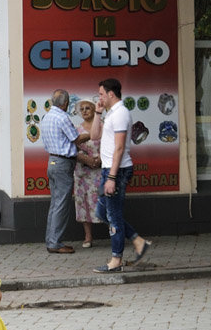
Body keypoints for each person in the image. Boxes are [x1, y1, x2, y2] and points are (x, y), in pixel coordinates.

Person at [90, 77, 152, 273]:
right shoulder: (110, 113)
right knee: (102, 213)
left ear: (110, 94)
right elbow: (94, 136)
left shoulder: (121, 114)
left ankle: (116, 259)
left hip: (117, 170)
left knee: (114, 216)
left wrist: (112, 178)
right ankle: (138, 240)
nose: (98, 97)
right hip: (109, 169)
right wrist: (98, 113)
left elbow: (119, 148)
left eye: (101, 94)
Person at [39, 88, 88, 254]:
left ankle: (51, 240)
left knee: (55, 203)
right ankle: (55, 242)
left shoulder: (46, 117)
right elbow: (75, 138)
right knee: (61, 204)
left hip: (52, 161)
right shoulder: (62, 117)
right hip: (62, 163)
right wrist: (90, 134)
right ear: (66, 103)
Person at [72, 100, 103, 247]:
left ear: (94, 109)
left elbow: (112, 145)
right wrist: (85, 159)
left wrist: (100, 159)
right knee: (82, 202)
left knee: (104, 201)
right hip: (82, 172)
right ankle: (88, 236)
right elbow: (70, 149)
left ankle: (113, 232)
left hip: (100, 170)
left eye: (88, 108)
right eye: (82, 109)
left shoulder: (102, 126)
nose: (84, 111)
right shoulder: (76, 129)